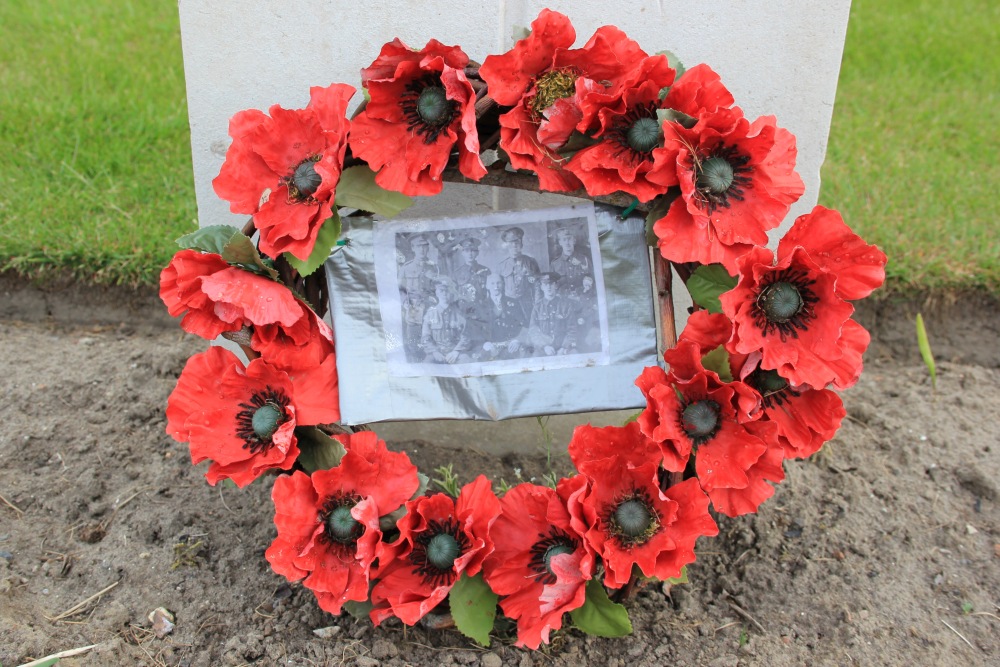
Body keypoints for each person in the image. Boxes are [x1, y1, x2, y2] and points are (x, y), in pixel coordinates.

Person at [477, 272, 527, 360]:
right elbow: (476, 328)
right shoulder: (481, 306)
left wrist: (517, 340)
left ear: (503, 284)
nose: (496, 286)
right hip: (490, 346)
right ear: (487, 286)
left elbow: (524, 325)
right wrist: (484, 344)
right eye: (492, 283)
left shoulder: (514, 303)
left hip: (511, 346)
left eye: (498, 283)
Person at [420, 277, 471, 364]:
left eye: (447, 291)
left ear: (451, 293)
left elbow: (466, 336)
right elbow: (425, 337)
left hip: (455, 353)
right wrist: (434, 352)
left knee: (467, 362)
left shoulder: (460, 314)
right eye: (441, 290)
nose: (444, 294)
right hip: (436, 353)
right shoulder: (430, 314)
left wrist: (456, 351)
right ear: (436, 292)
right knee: (426, 365)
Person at [528, 272, 579, 356]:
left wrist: (564, 347)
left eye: (551, 284)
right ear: (541, 287)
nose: (548, 287)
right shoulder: (537, 307)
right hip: (543, 349)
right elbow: (533, 331)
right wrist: (544, 346)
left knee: (576, 357)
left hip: (563, 347)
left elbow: (572, 330)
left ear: (556, 286)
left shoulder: (566, 305)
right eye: (545, 284)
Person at [497, 226, 540, 321]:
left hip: (528, 304)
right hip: (510, 305)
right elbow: (500, 290)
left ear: (521, 244)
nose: (514, 245)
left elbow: (537, 286)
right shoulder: (501, 266)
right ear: (507, 245)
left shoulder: (531, 262)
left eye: (517, 242)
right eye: (511, 243)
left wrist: (537, 305)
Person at [550, 225, 591, 297]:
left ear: (574, 240)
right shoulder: (555, 264)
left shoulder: (584, 260)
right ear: (560, 242)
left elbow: (593, 281)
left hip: (582, 300)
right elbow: (554, 287)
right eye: (564, 240)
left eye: (569, 239)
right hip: (564, 303)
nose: (567, 243)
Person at [451, 236, 491, 303]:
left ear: (477, 252)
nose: (470, 253)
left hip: (482, 307)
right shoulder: (456, 274)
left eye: (473, 250)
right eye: (466, 250)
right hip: (465, 308)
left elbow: (490, 291)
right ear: (462, 253)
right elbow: (454, 295)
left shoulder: (486, 271)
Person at [399, 233, 438, 298]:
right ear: (413, 247)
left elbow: (438, 289)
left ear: (428, 247)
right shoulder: (405, 268)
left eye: (424, 246)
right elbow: (400, 290)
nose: (422, 249)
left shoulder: (434, 267)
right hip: (412, 305)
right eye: (418, 246)